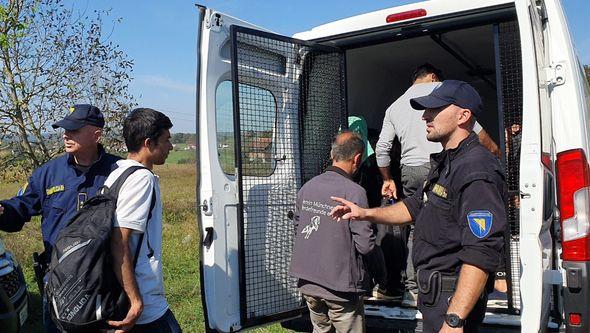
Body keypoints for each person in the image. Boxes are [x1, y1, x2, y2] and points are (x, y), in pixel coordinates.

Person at [331, 80, 507, 332]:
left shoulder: (476, 170)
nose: (425, 116)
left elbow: (481, 252)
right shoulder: (447, 163)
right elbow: (414, 206)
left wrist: (455, 320)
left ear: (463, 116)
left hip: (452, 299)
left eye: (435, 110)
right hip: (435, 296)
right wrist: (365, 213)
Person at [375, 64, 500, 306]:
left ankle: (414, 288)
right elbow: (480, 135)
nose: (425, 115)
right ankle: (455, 285)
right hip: (445, 164)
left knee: (416, 226)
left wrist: (387, 179)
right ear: (433, 76)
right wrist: (496, 158)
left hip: (410, 169)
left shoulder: (394, 106)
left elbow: (382, 149)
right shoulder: (446, 96)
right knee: (455, 223)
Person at [0, 104, 121, 333]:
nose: (66, 135)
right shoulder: (48, 173)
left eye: (74, 130)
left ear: (96, 135)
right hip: (58, 282)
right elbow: (22, 206)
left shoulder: (119, 172)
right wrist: (3, 210)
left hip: (105, 282)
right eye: (65, 129)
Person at [289, 131, 380, 333]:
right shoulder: (354, 192)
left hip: (308, 284)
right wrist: (379, 275)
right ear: (357, 158)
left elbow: (298, 227)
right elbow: (365, 245)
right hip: (341, 288)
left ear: (333, 155)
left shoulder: (307, 187)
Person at [105, 108, 181, 333]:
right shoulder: (141, 179)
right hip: (143, 301)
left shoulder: (117, 173)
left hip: (122, 293)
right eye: (166, 140)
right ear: (149, 143)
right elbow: (119, 242)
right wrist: (136, 301)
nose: (171, 147)